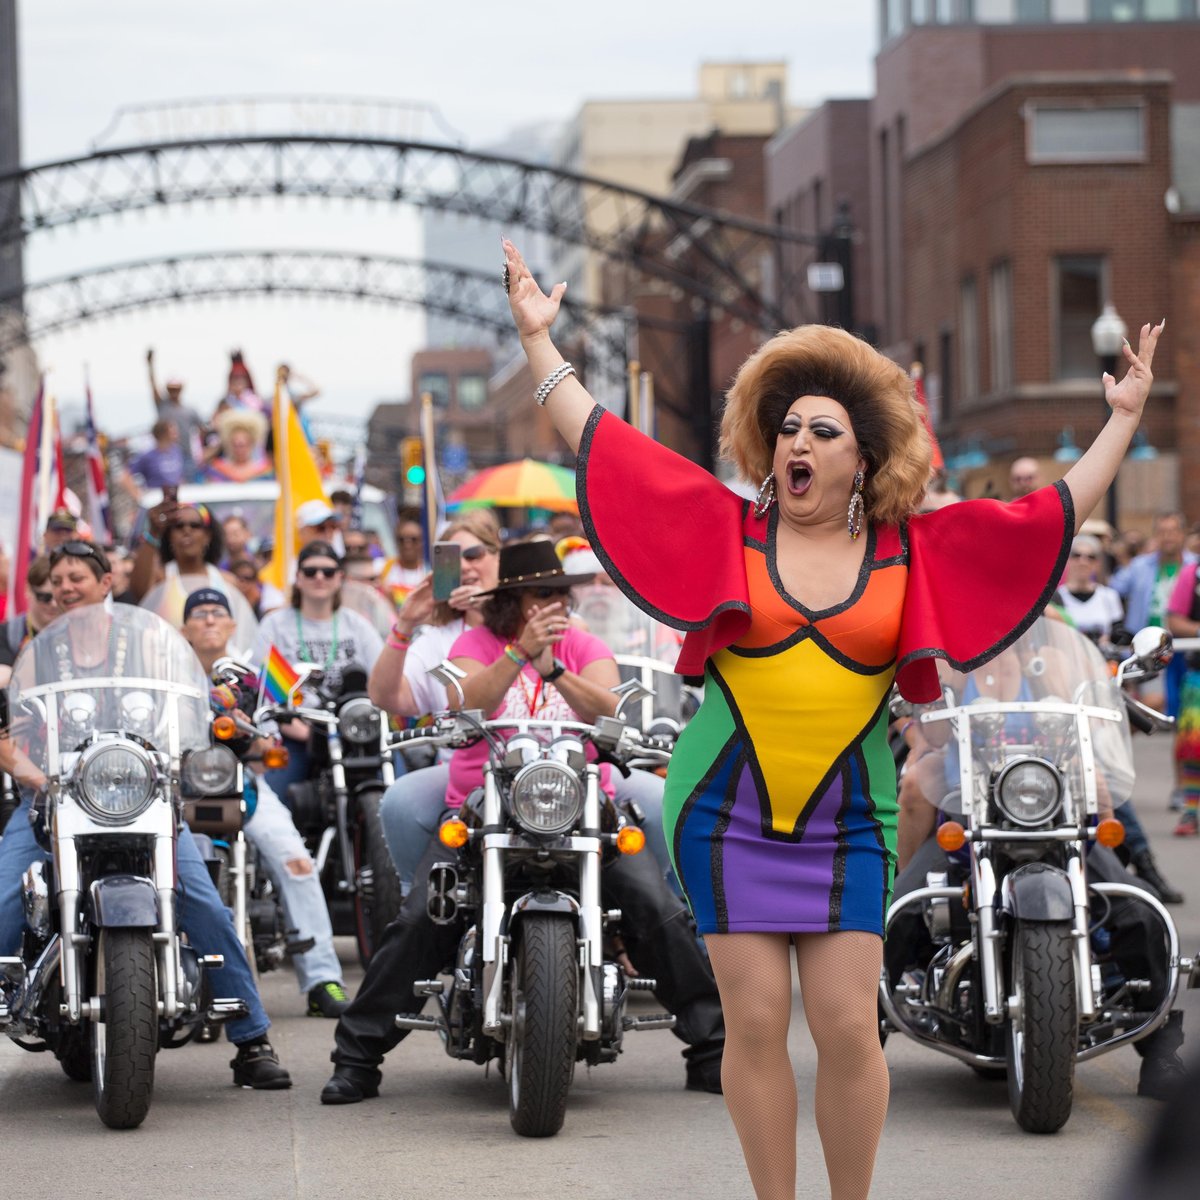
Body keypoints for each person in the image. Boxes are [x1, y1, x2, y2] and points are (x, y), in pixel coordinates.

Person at [500, 237, 1164, 1200]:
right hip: (722, 807)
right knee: (758, 1021)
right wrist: (539, 343)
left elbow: (1043, 518)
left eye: (824, 433)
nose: (800, 445)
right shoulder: (726, 529)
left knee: (851, 1025)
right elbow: (607, 444)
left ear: (866, 458)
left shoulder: (914, 550)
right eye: (789, 430)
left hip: (849, 813)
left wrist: (1124, 421)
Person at [321, 537, 725, 1105]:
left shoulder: (582, 645)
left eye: (559, 595)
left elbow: (610, 709)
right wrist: (516, 658)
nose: (553, 607)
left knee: (654, 908)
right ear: (512, 601)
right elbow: (468, 703)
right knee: (422, 917)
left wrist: (553, 668)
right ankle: (356, 1059)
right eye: (541, 596)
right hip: (485, 807)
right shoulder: (473, 641)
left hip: (584, 804)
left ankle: (712, 1050)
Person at [0, 542, 291, 1087]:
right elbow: (8, 737)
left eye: (75, 578)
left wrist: (222, 704)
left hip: (143, 794)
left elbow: (190, 701)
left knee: (201, 899)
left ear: (106, 581)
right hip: (56, 795)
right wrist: (36, 779)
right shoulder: (39, 653)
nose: (64, 588)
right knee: (4, 893)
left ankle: (252, 1041)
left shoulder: (147, 641)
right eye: (56, 581)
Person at [885, 643, 1186, 1100]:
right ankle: (860, 1039)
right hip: (970, 812)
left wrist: (1112, 695)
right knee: (901, 912)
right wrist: (921, 715)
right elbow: (929, 728)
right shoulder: (955, 662)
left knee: (1137, 909)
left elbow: (1089, 710)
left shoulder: (1053, 659)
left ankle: (1160, 1048)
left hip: (1054, 811)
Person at [180, 587, 348, 1017]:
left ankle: (323, 978)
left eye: (218, 612)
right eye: (199, 614)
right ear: (184, 628)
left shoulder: (257, 674)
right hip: (182, 793)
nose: (210, 620)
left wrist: (255, 733)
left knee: (297, 860)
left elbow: (284, 726)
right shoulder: (169, 673)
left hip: (244, 785)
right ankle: (177, 976)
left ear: (234, 624)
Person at [251, 540, 384, 802]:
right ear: (298, 578)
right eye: (310, 572)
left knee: (394, 791)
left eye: (328, 571)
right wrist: (305, 733)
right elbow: (264, 691)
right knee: (271, 800)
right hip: (297, 733)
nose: (319, 577)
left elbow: (382, 681)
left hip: (355, 731)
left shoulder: (358, 625)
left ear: (340, 578)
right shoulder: (275, 625)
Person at [131, 500, 259, 652]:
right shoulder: (161, 578)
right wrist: (153, 532)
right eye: (178, 526)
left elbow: (242, 635)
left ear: (208, 536)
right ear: (169, 536)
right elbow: (139, 593)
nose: (187, 530)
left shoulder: (227, 581)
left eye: (195, 525)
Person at [1057, 533, 1125, 645]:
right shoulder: (1056, 597)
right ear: (1068, 560)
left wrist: (1108, 639)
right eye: (1077, 555)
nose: (1083, 562)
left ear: (1097, 564)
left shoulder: (1109, 596)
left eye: (1091, 557)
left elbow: (1118, 635)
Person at [147, 349, 205, 480]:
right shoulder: (163, 406)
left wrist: (201, 452)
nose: (174, 392)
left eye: (176, 389)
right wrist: (150, 365)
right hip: (165, 456)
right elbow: (153, 387)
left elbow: (202, 430)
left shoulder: (190, 410)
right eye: (171, 389)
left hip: (186, 456)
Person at [0, 556, 58, 683]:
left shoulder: (75, 632)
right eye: (44, 597)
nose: (53, 604)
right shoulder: (7, 634)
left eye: (59, 597)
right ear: (28, 590)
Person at [203, 409, 273, 483]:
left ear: (251, 444)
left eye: (243, 445)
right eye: (235, 445)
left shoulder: (265, 471)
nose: (239, 450)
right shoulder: (216, 470)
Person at [380, 512, 427, 607]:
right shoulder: (382, 567)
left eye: (414, 539)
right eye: (401, 539)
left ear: (422, 542)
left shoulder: (429, 571)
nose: (407, 545)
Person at [124, 418, 185, 491]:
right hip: (157, 497)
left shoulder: (177, 451)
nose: (177, 434)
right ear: (163, 434)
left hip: (174, 496)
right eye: (173, 431)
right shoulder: (148, 456)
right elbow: (125, 476)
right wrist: (138, 495)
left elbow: (179, 476)